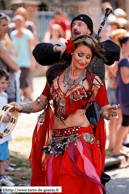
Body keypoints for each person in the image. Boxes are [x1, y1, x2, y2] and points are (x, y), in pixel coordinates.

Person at [10, 35, 119, 193]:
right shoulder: (55, 75)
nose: (83, 60)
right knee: (55, 187)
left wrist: (107, 112)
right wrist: (21, 107)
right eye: (80, 55)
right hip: (56, 143)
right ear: (71, 51)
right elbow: (41, 103)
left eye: (88, 57)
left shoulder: (93, 81)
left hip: (79, 142)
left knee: (70, 187)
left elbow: (104, 107)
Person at [112, 34, 129, 157]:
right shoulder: (123, 61)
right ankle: (117, 149)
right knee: (125, 124)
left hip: (125, 96)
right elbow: (126, 79)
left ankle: (118, 148)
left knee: (125, 123)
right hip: (126, 96)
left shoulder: (125, 59)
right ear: (123, 45)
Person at [10, 15, 34, 102]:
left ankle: (18, 99)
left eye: (19, 22)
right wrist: (13, 52)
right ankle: (30, 97)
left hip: (25, 61)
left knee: (20, 81)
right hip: (15, 61)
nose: (18, 24)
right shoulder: (13, 34)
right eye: (16, 23)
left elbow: (31, 48)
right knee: (25, 82)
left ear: (23, 23)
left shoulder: (28, 34)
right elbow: (11, 47)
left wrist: (32, 61)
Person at [0, 13, 19, 103]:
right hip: (6, 88)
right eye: (3, 25)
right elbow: (15, 67)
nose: (6, 28)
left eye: (7, 25)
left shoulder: (3, 43)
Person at [0, 68, 14, 186]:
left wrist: (9, 115)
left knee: (3, 156)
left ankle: (2, 176)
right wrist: (4, 118)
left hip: (4, 132)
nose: (4, 85)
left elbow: (6, 110)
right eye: (2, 82)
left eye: (6, 83)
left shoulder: (4, 95)